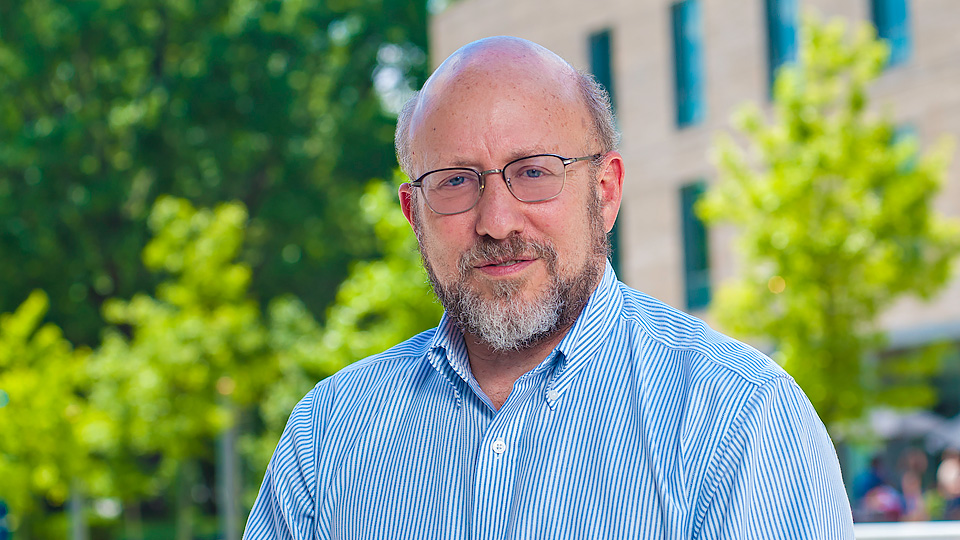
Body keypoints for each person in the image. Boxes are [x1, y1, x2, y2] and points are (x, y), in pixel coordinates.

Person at [243, 36, 854, 539]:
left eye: (534, 173)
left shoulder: (739, 418)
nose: (497, 221)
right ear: (413, 212)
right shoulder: (327, 434)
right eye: (456, 181)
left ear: (607, 191)